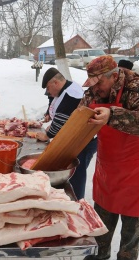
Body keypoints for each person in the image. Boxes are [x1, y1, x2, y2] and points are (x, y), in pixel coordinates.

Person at [80, 55, 139, 260]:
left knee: (130, 234)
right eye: (92, 84)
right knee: (100, 226)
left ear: (114, 75)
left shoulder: (137, 91)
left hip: (136, 169)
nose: (95, 88)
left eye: (99, 82)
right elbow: (78, 118)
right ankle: (98, 256)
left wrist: (113, 116)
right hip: (108, 168)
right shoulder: (93, 93)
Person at [36, 67, 97, 200]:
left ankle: (77, 203)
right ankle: (69, 198)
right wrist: (48, 114)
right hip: (74, 138)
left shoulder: (72, 93)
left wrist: (47, 135)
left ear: (56, 83)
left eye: (48, 87)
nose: (48, 92)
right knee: (71, 171)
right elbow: (53, 102)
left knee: (76, 172)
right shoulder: (63, 89)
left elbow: (62, 119)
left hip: (83, 140)